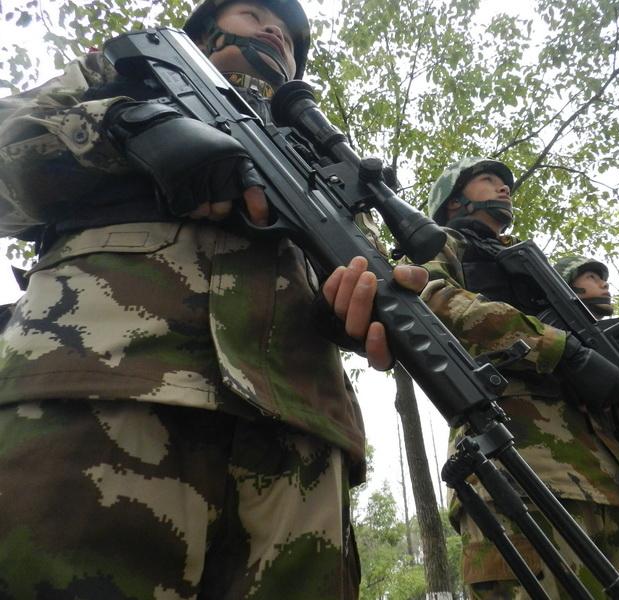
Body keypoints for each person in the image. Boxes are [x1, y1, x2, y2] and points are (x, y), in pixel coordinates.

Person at [0, 0, 428, 597]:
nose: (278, 29)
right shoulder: (125, 72)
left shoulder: (310, 150)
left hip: (299, 438)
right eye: (257, 13)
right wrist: (127, 129)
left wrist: (341, 308)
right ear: (206, 29)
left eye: (292, 36)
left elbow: (338, 272)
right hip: (105, 383)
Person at [416, 157, 619, 598]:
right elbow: (429, 297)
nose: (503, 189)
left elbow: (600, 377)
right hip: (522, 470)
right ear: (453, 201)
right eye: (488, 180)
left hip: (615, 486)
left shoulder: (531, 269)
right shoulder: (443, 242)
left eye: (505, 183)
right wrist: (560, 350)